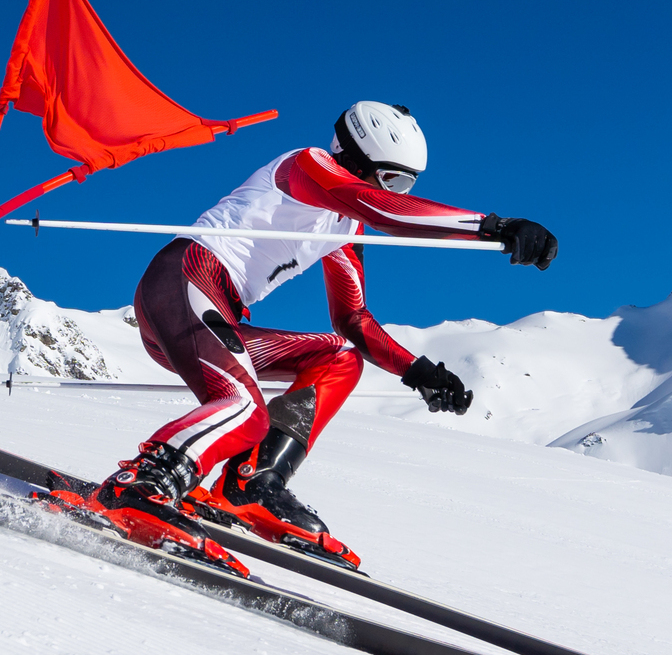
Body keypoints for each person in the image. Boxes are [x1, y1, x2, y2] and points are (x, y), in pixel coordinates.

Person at [92, 101, 557, 564]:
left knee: (338, 358)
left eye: (406, 183)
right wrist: (494, 227)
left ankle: (254, 482)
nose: (395, 189)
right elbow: (386, 210)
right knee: (242, 409)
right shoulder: (309, 166)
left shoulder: (344, 224)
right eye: (394, 178)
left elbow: (353, 319)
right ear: (360, 158)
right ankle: (142, 484)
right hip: (185, 280)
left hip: (216, 317)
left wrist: (419, 372)